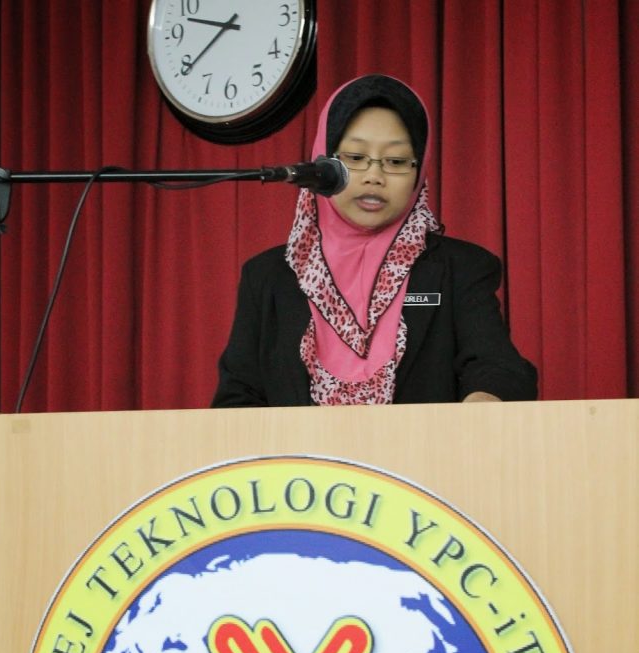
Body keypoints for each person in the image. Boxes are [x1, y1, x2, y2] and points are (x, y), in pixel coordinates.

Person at [212, 75, 537, 407]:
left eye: (396, 162)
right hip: (295, 446)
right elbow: (236, 399)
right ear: (322, 163)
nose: (373, 176)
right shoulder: (266, 277)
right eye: (354, 158)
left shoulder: (462, 269)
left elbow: (500, 370)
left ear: (419, 171)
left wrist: (483, 403)